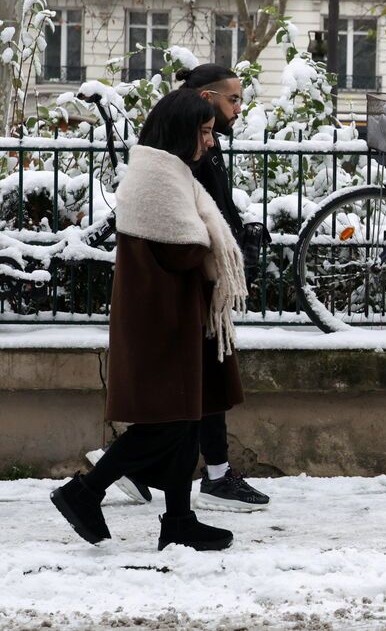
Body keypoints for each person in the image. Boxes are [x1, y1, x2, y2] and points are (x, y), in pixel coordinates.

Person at [52, 89, 247, 550]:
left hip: (173, 317)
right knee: (166, 424)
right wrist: (207, 239)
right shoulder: (158, 176)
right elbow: (182, 250)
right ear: (181, 130)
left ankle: (178, 520)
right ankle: (85, 492)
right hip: (161, 322)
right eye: (203, 132)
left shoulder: (168, 171)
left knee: (186, 421)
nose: (210, 142)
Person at [86, 64, 271, 512]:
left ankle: (183, 512)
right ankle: (97, 487)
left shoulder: (190, 153)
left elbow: (208, 212)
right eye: (233, 100)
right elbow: (183, 239)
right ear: (204, 102)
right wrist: (219, 252)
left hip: (188, 303)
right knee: (177, 416)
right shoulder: (168, 166)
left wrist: (234, 235)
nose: (238, 110)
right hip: (171, 308)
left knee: (192, 409)